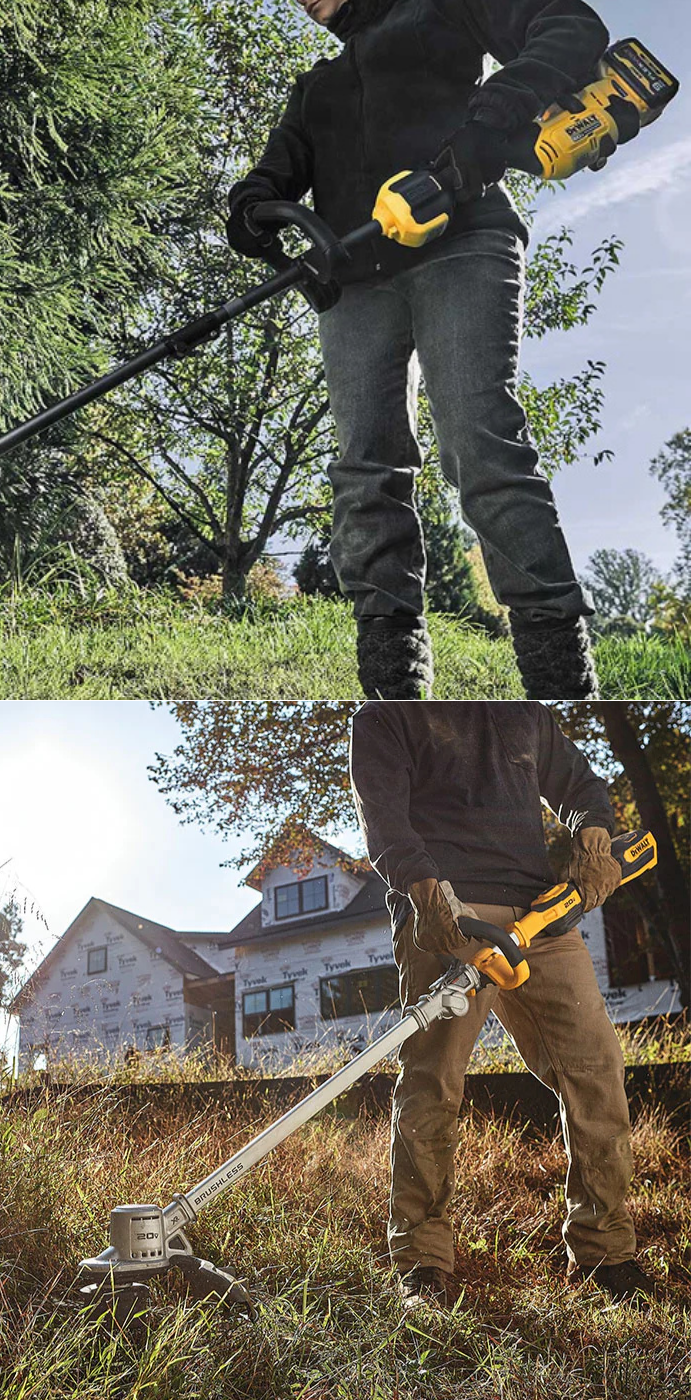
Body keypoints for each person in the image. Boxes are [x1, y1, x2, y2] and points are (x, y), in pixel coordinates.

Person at [226, 0, 615, 700]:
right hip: (355, 278)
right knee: (365, 466)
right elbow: (277, 170)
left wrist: (491, 119)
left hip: (462, 241)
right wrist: (252, 204)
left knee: (476, 436)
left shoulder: (441, 9)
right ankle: (393, 676)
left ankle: (557, 667)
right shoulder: (317, 86)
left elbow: (571, 26)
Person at [347, 700, 661, 1308]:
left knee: (596, 1071)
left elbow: (579, 785)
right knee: (433, 1082)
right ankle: (422, 1263)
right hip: (449, 910)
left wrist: (593, 838)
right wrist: (425, 892)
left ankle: (605, 1252)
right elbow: (383, 818)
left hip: (542, 916)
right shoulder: (388, 712)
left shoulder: (522, 710)